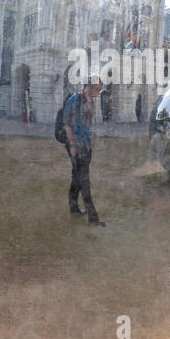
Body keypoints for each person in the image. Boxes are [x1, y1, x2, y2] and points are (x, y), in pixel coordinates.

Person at [61, 76, 106, 226]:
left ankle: (73, 208)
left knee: (77, 178)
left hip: (86, 145)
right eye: (97, 89)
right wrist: (73, 146)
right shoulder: (75, 99)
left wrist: (89, 143)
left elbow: (88, 125)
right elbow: (67, 124)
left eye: (100, 89)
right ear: (89, 86)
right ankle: (93, 219)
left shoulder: (91, 102)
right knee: (84, 181)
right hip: (75, 145)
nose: (99, 92)